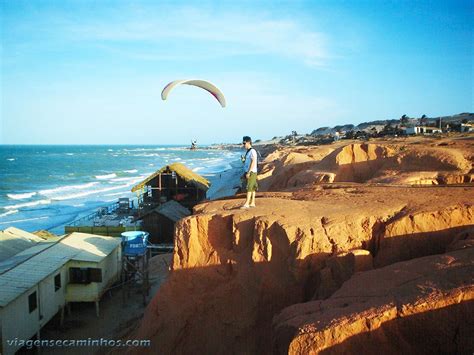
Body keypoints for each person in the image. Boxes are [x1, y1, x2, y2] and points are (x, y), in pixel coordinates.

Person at [241, 136, 258, 208]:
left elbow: (253, 161)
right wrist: (243, 160)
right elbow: (248, 162)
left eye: (244, 143)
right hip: (250, 171)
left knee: (249, 187)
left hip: (251, 172)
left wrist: (249, 172)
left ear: (248, 142)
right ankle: (252, 203)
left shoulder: (252, 151)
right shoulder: (248, 152)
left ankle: (247, 203)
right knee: (253, 187)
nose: (243, 145)